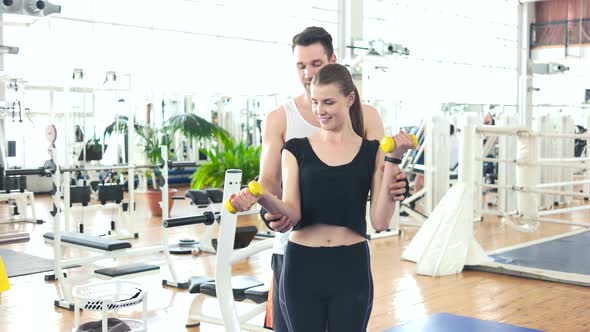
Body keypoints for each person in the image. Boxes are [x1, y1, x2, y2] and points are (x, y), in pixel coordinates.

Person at [229, 63, 414, 331]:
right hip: (302, 265)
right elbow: (291, 214)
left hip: (351, 266)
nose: (319, 110)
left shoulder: (371, 151)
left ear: (349, 100)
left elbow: (380, 220)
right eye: (315, 102)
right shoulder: (295, 150)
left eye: (328, 102)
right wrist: (259, 197)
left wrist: (394, 158)